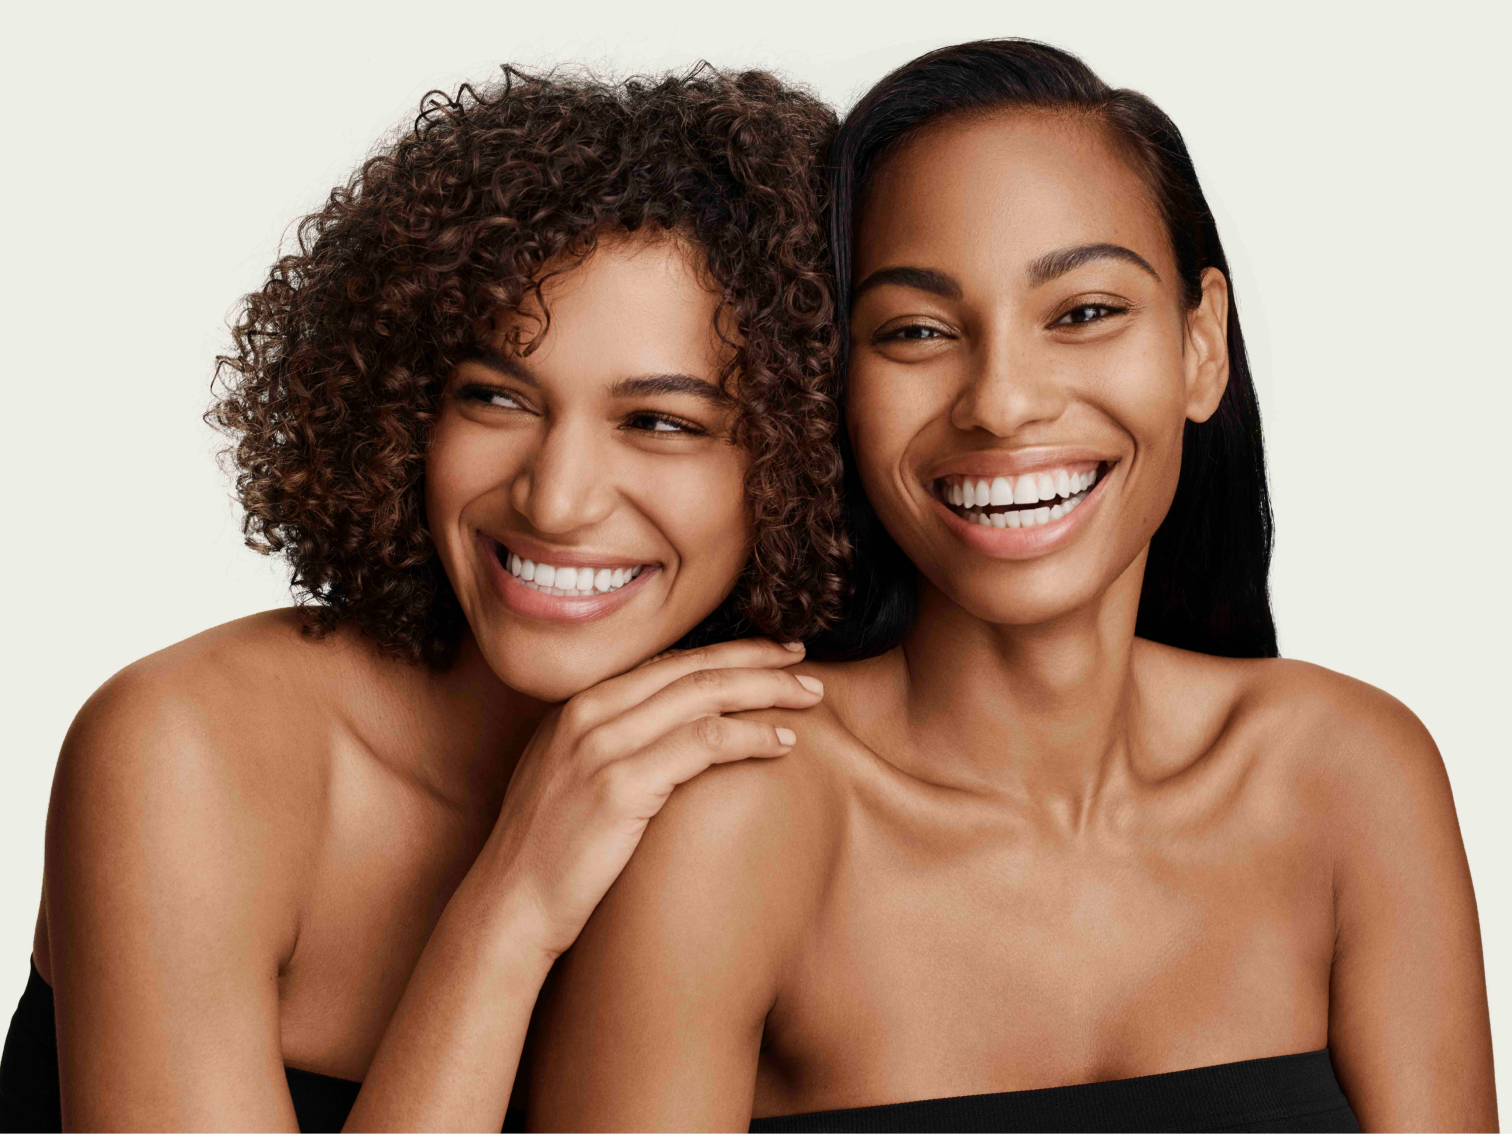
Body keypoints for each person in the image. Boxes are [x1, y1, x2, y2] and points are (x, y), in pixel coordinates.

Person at [527, 40, 1497, 1133]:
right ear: (829, 390)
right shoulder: (736, 817)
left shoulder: (1353, 777)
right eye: (916, 332)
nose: (1000, 402)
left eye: (1084, 312)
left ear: (1202, 346)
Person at [0, 64, 849, 1132]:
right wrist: (510, 908)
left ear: (806, 455)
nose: (556, 497)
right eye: (495, 397)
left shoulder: (799, 790)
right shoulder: (190, 751)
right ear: (403, 409)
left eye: (661, 422)